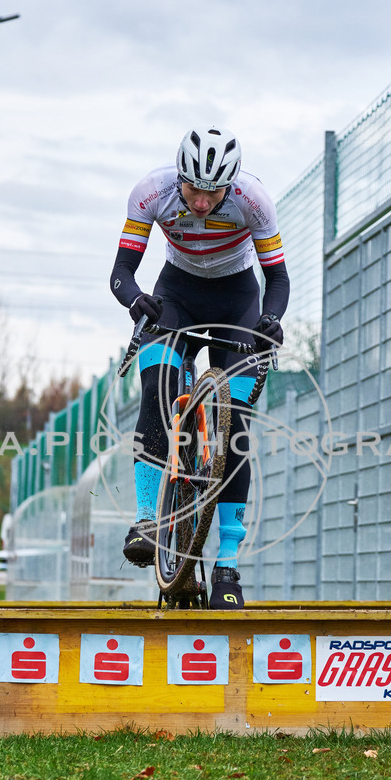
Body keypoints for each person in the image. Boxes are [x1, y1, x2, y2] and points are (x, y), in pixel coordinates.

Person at [110, 125, 290, 609]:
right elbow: (122, 273)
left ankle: (227, 563)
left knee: (236, 422)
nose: (202, 202)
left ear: (229, 185)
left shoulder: (253, 201)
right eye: (193, 190)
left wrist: (270, 321)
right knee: (157, 389)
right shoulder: (151, 191)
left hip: (238, 302)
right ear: (179, 178)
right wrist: (136, 302)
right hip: (176, 295)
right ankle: (148, 519)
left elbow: (277, 279)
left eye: (213, 192)